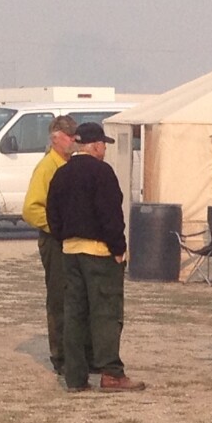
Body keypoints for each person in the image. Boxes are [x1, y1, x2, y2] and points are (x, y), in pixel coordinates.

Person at [46, 122, 145, 393]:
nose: (104, 150)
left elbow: (52, 214)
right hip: (99, 253)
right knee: (106, 314)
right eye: (103, 145)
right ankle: (111, 373)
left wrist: (63, 238)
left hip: (70, 251)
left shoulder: (61, 173)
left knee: (74, 314)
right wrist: (118, 248)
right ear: (96, 145)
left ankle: (75, 377)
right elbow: (110, 215)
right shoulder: (102, 173)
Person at [22, 115, 79, 375]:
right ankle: (60, 356)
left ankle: (76, 352)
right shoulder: (47, 168)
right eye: (68, 135)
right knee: (58, 297)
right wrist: (57, 226)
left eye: (74, 135)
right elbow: (31, 209)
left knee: (75, 297)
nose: (73, 139)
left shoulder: (71, 165)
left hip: (70, 240)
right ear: (55, 137)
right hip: (54, 240)